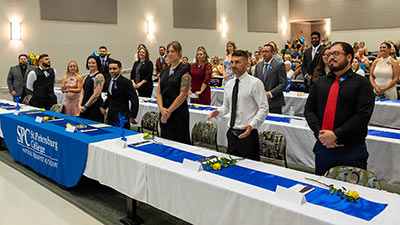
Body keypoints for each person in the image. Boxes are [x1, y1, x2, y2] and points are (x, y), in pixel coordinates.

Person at [304, 41, 375, 176]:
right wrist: (321, 134)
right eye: (329, 54)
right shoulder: (320, 82)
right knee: (322, 190)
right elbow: (309, 110)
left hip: (351, 149)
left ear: (349, 57)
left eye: (336, 53)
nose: (331, 57)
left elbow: (362, 116)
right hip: (324, 147)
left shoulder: (361, 84)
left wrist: (336, 134)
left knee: (351, 194)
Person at [208, 50, 269, 161]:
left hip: (248, 135)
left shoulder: (255, 83)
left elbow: (264, 108)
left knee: (250, 172)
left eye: (237, 62)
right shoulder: (229, 84)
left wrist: (252, 125)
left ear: (247, 64)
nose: (233, 65)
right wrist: (219, 111)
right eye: (232, 62)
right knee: (231, 168)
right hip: (231, 133)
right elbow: (226, 106)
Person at [156, 41, 191, 144]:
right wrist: (162, 109)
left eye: (173, 51)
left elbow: (183, 94)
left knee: (179, 143)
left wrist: (168, 112)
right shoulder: (164, 71)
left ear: (179, 52)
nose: (170, 54)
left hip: (178, 112)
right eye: (169, 51)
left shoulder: (184, 70)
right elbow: (158, 92)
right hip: (164, 110)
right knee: (165, 142)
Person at [101, 60, 139, 129]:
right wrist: (103, 106)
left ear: (120, 69)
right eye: (110, 69)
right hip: (111, 114)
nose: (112, 71)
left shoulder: (126, 82)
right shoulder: (108, 81)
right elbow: (110, 96)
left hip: (122, 116)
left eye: (114, 68)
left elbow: (134, 99)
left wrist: (133, 116)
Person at [254, 44, 287, 114]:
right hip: (260, 102)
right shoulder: (258, 65)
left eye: (266, 52)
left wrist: (270, 94)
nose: (264, 54)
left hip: (274, 103)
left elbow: (283, 84)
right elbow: (255, 81)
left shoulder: (279, 65)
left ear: (272, 53)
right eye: (263, 52)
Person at [80, 55, 105, 123]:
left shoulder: (99, 76)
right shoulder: (86, 77)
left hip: (94, 106)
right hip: (85, 105)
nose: (91, 65)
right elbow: (82, 92)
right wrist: (79, 105)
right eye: (89, 63)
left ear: (97, 64)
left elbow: (96, 94)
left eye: (93, 63)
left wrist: (86, 106)